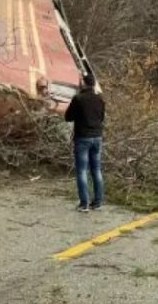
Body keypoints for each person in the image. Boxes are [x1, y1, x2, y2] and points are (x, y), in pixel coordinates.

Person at [64, 73, 105, 212]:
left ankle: (84, 204)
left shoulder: (78, 98)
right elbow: (102, 117)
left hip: (83, 138)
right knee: (96, 170)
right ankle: (98, 202)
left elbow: (68, 117)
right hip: (97, 137)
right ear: (93, 84)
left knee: (82, 171)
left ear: (83, 83)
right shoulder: (100, 99)